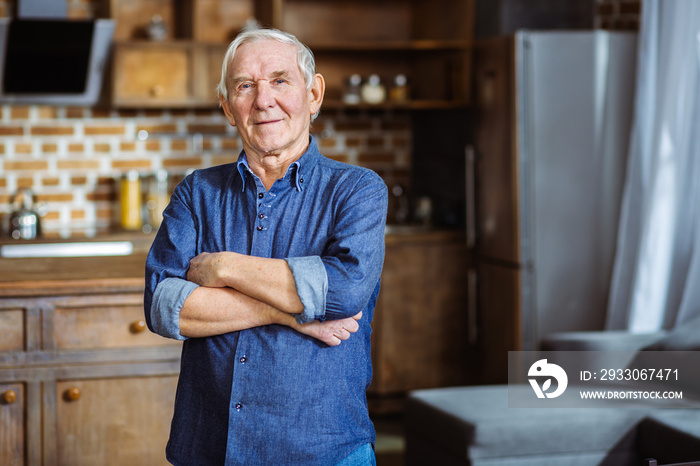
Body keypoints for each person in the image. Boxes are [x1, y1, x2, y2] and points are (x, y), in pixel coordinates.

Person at [144, 26, 388, 465]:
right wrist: (291, 313)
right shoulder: (196, 193)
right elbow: (164, 307)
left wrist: (223, 268)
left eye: (280, 80)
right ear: (227, 107)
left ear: (313, 95)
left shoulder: (357, 190)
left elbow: (344, 291)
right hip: (208, 448)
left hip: (323, 450)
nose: (263, 100)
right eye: (245, 86)